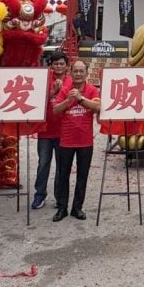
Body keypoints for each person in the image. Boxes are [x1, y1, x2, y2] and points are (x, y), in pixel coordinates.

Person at [52, 60, 100, 221]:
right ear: (71, 73)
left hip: (85, 141)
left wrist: (80, 99)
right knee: (63, 175)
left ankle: (77, 208)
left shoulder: (92, 90)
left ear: (86, 73)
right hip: (66, 140)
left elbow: (97, 107)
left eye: (81, 71)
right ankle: (62, 208)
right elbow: (55, 110)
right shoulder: (65, 90)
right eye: (76, 71)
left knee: (82, 175)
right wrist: (68, 101)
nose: (78, 74)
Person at [32, 51, 69, 210]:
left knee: (62, 166)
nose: (59, 66)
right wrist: (53, 91)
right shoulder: (45, 80)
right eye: (56, 64)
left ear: (66, 65)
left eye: (61, 63)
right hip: (45, 130)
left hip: (64, 130)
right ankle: (39, 195)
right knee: (43, 164)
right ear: (51, 65)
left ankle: (59, 196)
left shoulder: (72, 80)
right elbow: (36, 100)